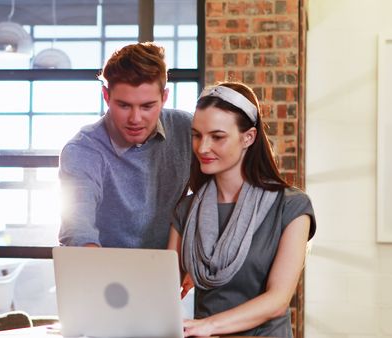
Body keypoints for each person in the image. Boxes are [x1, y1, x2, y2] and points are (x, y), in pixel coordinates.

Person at [167, 82, 316, 337]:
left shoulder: (291, 207)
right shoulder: (186, 210)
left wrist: (208, 325)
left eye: (217, 137)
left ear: (248, 137)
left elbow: (278, 300)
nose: (203, 148)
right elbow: (165, 290)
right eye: (197, 135)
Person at [58, 42, 193, 248]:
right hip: (102, 269)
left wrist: (194, 253)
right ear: (106, 96)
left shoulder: (186, 129)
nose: (135, 119)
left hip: (167, 269)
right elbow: (78, 227)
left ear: (164, 97)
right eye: (124, 105)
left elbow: (216, 191)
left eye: (147, 106)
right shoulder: (82, 150)